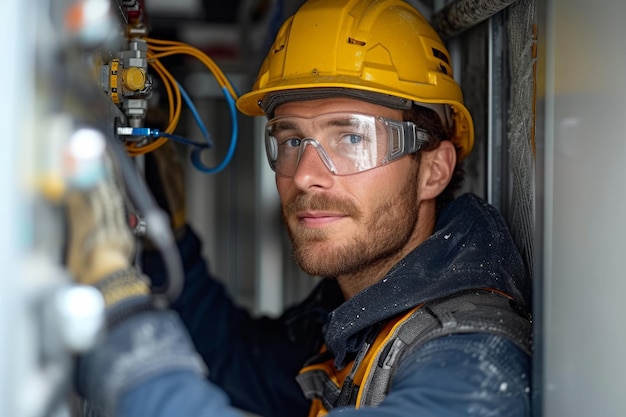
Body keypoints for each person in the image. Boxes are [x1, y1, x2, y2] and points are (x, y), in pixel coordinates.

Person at [67, 0, 533, 416]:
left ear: (433, 170)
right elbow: (233, 359)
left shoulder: (468, 367)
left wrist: (124, 320)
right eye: (291, 139)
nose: (306, 173)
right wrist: (164, 234)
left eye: (351, 137)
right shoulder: (370, 314)